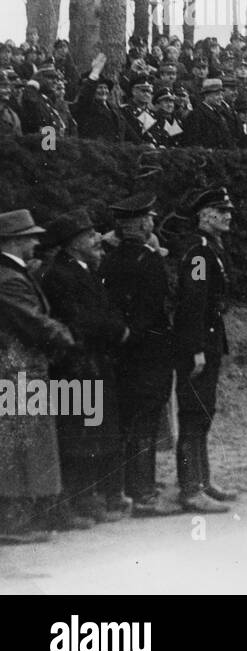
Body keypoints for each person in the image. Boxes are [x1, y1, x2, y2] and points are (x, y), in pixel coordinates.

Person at [41, 208, 132, 525]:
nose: (97, 240)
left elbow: (103, 309)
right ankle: (80, 501)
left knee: (93, 432)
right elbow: (80, 319)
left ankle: (90, 499)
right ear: (73, 242)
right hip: (77, 366)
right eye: (90, 235)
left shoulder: (83, 269)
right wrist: (116, 330)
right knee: (80, 435)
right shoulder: (60, 275)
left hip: (92, 363)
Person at [98, 193, 183, 517]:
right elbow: (156, 309)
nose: (152, 223)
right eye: (148, 218)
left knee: (127, 424)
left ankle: (125, 490)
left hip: (122, 355)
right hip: (149, 355)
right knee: (145, 424)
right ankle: (143, 493)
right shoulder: (149, 261)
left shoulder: (109, 260)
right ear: (140, 224)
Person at [0, 210, 74, 544]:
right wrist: (66, 336)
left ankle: (20, 518)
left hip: (19, 369)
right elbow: (33, 321)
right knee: (20, 446)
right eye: (30, 236)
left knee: (22, 444)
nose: (36, 241)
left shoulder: (13, 273)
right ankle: (14, 522)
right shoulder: (9, 278)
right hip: (18, 370)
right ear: (14, 241)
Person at [173, 186, 239, 513]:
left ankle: (202, 480)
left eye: (228, 210)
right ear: (203, 215)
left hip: (208, 339)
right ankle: (190, 488)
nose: (228, 215)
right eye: (220, 210)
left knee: (204, 413)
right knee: (193, 415)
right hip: (197, 343)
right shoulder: (199, 252)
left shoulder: (211, 247)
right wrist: (196, 348)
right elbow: (193, 302)